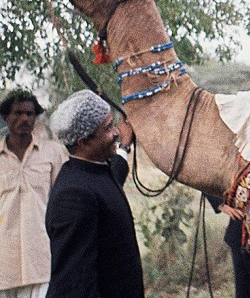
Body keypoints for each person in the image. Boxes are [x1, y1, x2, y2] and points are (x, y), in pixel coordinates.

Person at [45, 90, 143, 298]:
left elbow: (109, 182)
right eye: (108, 128)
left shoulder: (92, 171)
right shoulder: (73, 196)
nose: (116, 132)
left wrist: (125, 145)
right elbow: (75, 284)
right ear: (83, 141)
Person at [0, 89, 66, 298]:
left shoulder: (53, 153)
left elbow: (65, 201)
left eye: (30, 114)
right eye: (18, 113)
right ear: (5, 117)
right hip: (4, 265)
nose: (24, 119)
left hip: (42, 262)